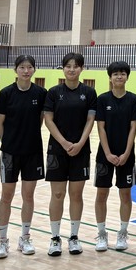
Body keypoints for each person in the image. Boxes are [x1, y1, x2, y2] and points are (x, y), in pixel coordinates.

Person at [0, 55, 47, 258]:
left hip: (33, 151)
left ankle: (25, 237)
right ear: (15, 70)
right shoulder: (6, 93)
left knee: (28, 196)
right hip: (10, 153)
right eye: (22, 67)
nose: (26, 71)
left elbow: (40, 120)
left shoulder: (40, 93)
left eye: (29, 67)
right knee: (6, 196)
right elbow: (0, 123)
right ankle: (2, 240)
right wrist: (8, 143)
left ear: (34, 70)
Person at [43, 53, 96, 256]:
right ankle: (55, 238)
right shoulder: (53, 92)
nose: (72, 69)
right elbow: (48, 120)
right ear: (63, 68)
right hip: (57, 150)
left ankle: (74, 237)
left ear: (82, 68)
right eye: (68, 66)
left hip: (81, 150)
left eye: (76, 66)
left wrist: (80, 143)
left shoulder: (89, 92)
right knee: (57, 194)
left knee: (76, 194)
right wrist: (64, 143)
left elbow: (90, 120)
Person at [94, 61, 136, 251]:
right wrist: (107, 153)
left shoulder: (133, 100)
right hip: (104, 155)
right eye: (115, 74)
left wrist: (127, 153)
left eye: (122, 73)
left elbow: (133, 128)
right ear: (110, 77)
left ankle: (122, 233)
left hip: (126, 156)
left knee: (125, 194)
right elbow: (101, 128)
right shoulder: (102, 99)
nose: (119, 77)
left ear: (127, 76)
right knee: (101, 194)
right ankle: (101, 234)